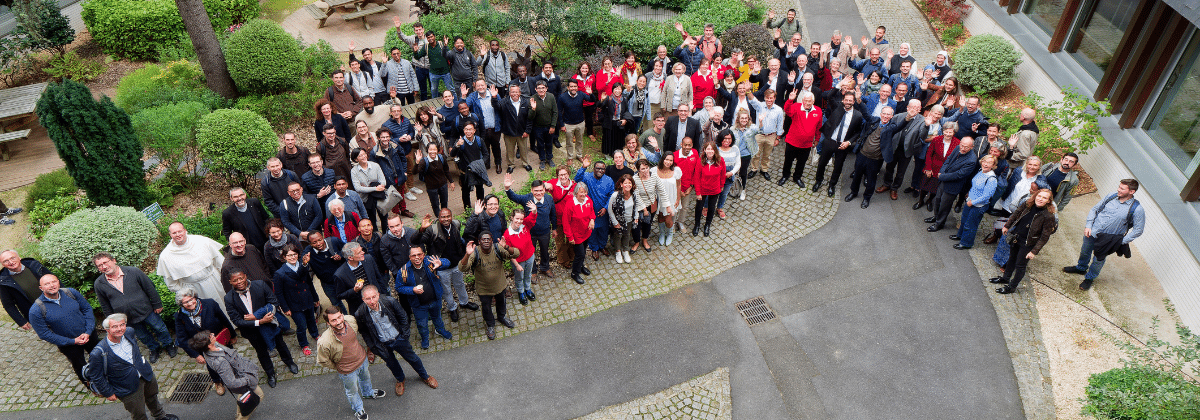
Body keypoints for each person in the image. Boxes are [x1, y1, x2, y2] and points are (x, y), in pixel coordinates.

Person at [87, 314, 180, 420]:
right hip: (126, 387)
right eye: (115, 326)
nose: (120, 329)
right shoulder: (98, 353)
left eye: (122, 324)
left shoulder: (129, 332)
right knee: (138, 412)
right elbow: (96, 376)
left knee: (152, 398)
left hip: (145, 374)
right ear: (107, 329)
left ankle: (160, 416)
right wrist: (108, 392)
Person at [355, 285, 438, 397]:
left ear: (378, 295)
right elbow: (364, 331)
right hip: (382, 344)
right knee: (392, 364)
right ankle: (400, 379)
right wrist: (373, 346)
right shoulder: (360, 313)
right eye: (368, 299)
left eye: (374, 297)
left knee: (413, 358)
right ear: (363, 300)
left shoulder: (390, 301)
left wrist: (404, 335)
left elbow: (403, 317)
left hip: (398, 338)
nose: (372, 301)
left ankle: (425, 376)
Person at [1063, 179, 1146, 291]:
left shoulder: (1137, 209)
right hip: (1092, 232)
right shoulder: (1112, 196)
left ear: (1132, 191)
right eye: (1119, 187)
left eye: (1122, 188)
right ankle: (1081, 268)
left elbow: (1138, 230)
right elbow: (1095, 209)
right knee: (1085, 251)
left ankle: (1089, 278)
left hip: (1108, 240)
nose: (1118, 189)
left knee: (1098, 260)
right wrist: (1088, 225)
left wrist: (1120, 241)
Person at [93, 253, 175, 363]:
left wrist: (157, 304)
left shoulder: (133, 271)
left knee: (160, 328)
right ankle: (154, 348)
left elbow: (149, 287)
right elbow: (105, 304)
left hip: (147, 310)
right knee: (142, 336)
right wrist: (112, 320)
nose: (103, 267)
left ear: (114, 260)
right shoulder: (99, 283)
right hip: (127, 318)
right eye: (99, 265)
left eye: (105, 262)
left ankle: (168, 344)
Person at [224, 269, 299, 388]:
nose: (239, 281)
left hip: (270, 325)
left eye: (241, 278)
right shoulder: (229, 298)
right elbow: (237, 321)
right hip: (252, 331)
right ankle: (270, 374)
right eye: (235, 280)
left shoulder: (260, 284)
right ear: (230, 282)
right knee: (262, 353)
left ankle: (290, 363)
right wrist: (259, 322)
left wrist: (256, 316)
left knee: (281, 345)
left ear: (245, 276)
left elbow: (274, 302)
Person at [316, 306, 386, 420]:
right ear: (328, 323)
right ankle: (358, 409)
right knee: (352, 391)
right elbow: (323, 360)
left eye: (339, 317)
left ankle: (367, 393)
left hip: (362, 360)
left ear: (342, 315)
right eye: (333, 320)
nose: (339, 321)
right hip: (347, 371)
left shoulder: (350, 320)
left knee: (366, 378)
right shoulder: (324, 341)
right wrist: (338, 366)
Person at [29, 274, 98, 386]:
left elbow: (87, 309)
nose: (52, 285)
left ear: (58, 282)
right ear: (41, 288)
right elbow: (44, 334)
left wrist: (88, 331)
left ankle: (108, 376)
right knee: (79, 365)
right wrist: (73, 341)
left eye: (54, 281)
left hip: (88, 334)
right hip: (68, 344)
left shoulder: (70, 293)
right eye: (47, 284)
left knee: (101, 356)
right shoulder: (36, 310)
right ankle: (92, 385)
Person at [989, 189, 1059, 294]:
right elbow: (1016, 214)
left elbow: (1045, 237)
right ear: (1035, 196)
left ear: (1048, 201)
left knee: (1020, 265)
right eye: (1039, 196)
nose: (1040, 199)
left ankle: (1012, 287)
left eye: (1044, 198)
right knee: (1011, 259)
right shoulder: (1028, 204)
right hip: (1017, 237)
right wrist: (1007, 226)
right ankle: (1005, 278)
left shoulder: (1048, 216)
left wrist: (1034, 251)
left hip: (1028, 244)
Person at [173, 288, 237, 396]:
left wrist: (232, 335)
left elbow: (224, 319)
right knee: (212, 365)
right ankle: (217, 382)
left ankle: (235, 374)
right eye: (185, 302)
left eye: (191, 299)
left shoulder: (210, 303)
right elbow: (182, 338)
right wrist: (196, 355)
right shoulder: (180, 317)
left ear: (195, 297)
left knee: (229, 357)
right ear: (181, 304)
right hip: (204, 347)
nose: (190, 303)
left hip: (220, 340)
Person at [188, 330, 262, 420]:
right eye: (211, 336)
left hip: (240, 376)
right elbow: (232, 383)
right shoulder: (220, 362)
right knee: (258, 397)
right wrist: (247, 379)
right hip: (241, 378)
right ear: (208, 345)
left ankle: (239, 412)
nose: (213, 334)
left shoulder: (210, 349)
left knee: (244, 396)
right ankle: (241, 418)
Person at [157, 222, 228, 314]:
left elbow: (219, 261)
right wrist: (186, 294)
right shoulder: (166, 256)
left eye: (180, 231)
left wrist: (226, 276)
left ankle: (237, 326)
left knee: (226, 303)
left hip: (214, 281)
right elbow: (170, 282)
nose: (178, 235)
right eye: (174, 233)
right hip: (194, 290)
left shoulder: (201, 241)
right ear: (170, 235)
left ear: (185, 231)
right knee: (208, 313)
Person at [396, 247, 453, 349]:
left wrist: (441, 263)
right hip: (419, 305)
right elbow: (399, 287)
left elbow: (448, 262)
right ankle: (425, 338)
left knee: (437, 317)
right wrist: (412, 290)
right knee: (422, 323)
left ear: (423, 254)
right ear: (409, 257)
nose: (417, 257)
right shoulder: (404, 271)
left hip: (435, 300)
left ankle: (440, 330)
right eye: (414, 255)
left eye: (419, 254)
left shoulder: (429, 262)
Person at [503, 174, 557, 278]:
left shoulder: (549, 199)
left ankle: (545, 267)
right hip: (530, 233)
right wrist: (507, 188)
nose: (539, 193)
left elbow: (553, 215)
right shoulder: (527, 198)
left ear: (544, 190)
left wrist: (554, 228)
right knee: (531, 252)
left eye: (541, 190)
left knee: (545, 251)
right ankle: (533, 271)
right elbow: (514, 197)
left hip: (545, 232)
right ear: (532, 190)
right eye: (536, 191)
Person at [846, 106, 899, 209]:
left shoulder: (891, 127)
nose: (885, 116)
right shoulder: (874, 121)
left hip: (875, 160)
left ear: (892, 116)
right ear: (880, 114)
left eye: (888, 114)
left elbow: (901, 126)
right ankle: (854, 192)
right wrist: (860, 102)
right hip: (862, 155)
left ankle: (867, 198)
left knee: (871, 179)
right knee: (857, 175)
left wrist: (909, 117)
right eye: (884, 113)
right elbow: (866, 114)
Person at [813, 94, 864, 197]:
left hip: (843, 145)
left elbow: (858, 131)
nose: (848, 102)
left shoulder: (858, 115)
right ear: (842, 100)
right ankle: (818, 181)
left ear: (854, 102)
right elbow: (830, 96)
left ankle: (832, 185)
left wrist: (849, 142)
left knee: (838, 167)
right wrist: (839, 85)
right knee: (822, 163)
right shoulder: (837, 107)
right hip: (830, 141)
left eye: (850, 100)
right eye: (846, 100)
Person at [273, 245, 320, 355]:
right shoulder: (279, 273)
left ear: (298, 255)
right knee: (301, 325)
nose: (292, 257)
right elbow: (279, 293)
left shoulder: (303, 266)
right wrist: (285, 308)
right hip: (294, 304)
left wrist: (315, 298)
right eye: (289, 255)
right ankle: (304, 344)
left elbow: (309, 283)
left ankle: (315, 334)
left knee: (311, 320)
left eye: (294, 254)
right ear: (284, 257)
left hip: (307, 299)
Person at [878, 99, 928, 200]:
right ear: (908, 107)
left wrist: (927, 126)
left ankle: (894, 188)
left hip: (907, 151)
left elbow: (922, 136)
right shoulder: (898, 116)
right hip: (894, 147)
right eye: (912, 107)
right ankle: (886, 184)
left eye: (917, 107)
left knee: (901, 172)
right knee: (889, 168)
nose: (914, 109)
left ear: (920, 109)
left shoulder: (923, 120)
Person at [926, 138, 977, 232]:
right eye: (962, 145)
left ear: (972, 147)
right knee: (937, 200)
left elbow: (959, 175)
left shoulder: (972, 160)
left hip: (953, 186)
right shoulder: (957, 147)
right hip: (944, 180)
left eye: (966, 147)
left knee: (944, 206)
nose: (962, 148)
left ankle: (939, 224)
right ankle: (936, 217)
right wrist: (942, 172)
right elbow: (948, 160)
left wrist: (942, 176)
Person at [952, 155, 1000, 249]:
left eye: (989, 163)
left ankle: (966, 243)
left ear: (993, 165)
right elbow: (975, 185)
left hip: (978, 206)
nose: (985, 164)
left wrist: (972, 202)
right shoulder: (980, 171)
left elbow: (987, 196)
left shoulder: (991, 179)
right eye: (984, 161)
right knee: (964, 220)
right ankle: (960, 236)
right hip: (970, 200)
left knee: (971, 224)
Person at [350, 148, 404, 230]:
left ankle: (386, 235)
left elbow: (383, 182)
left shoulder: (375, 165)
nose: (364, 156)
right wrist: (375, 188)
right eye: (360, 155)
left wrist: (368, 187)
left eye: (364, 154)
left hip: (379, 196)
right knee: (371, 220)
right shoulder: (354, 171)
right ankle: (376, 236)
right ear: (356, 159)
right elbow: (358, 188)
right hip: (366, 198)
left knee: (384, 218)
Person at [780, 90, 822, 189]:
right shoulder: (796, 107)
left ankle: (797, 177)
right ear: (802, 100)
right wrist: (790, 100)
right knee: (788, 161)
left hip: (806, 144)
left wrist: (817, 139)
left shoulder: (818, 111)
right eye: (805, 100)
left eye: (809, 101)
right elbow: (787, 110)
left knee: (801, 163)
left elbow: (819, 127)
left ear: (813, 101)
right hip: (792, 141)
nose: (807, 103)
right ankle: (785, 176)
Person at [0, 249, 51, 330]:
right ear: (3, 264)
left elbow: (55, 280)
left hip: (55, 303)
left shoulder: (34, 265)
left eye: (12, 258)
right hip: (37, 314)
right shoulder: (4, 281)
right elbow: (8, 305)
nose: (10, 262)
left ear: (19, 257)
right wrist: (21, 321)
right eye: (6, 261)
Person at [575, 157, 615, 259]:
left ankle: (602, 246)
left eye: (602, 169)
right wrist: (583, 167)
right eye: (598, 168)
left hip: (603, 212)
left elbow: (611, 195)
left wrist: (606, 208)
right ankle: (594, 248)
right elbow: (577, 180)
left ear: (605, 170)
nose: (600, 171)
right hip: (590, 212)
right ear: (593, 169)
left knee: (604, 230)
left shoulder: (609, 180)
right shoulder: (587, 177)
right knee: (592, 231)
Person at [334, 242, 387, 315]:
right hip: (361, 308)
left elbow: (379, 278)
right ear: (350, 257)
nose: (363, 252)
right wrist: (354, 290)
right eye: (359, 252)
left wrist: (384, 296)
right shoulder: (340, 274)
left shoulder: (368, 259)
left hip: (378, 300)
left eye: (361, 250)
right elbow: (340, 295)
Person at [490, 84, 534, 173]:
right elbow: (496, 106)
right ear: (509, 93)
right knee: (509, 150)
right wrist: (494, 97)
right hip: (508, 132)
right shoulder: (504, 102)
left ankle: (525, 163)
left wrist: (527, 131)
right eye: (512, 92)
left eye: (516, 92)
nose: (514, 94)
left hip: (522, 132)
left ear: (520, 93)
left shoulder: (526, 102)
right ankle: (511, 165)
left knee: (523, 149)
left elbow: (529, 118)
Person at [917, 123, 960, 211]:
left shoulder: (957, 143)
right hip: (931, 168)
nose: (948, 134)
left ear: (954, 133)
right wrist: (928, 168)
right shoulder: (936, 139)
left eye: (950, 132)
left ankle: (929, 201)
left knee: (935, 189)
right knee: (924, 186)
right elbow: (929, 154)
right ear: (943, 131)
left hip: (943, 172)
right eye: (946, 131)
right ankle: (920, 201)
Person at [304, 230, 346, 314]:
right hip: (327, 283)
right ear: (310, 244)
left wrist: (340, 256)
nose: (318, 244)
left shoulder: (334, 241)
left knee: (351, 298)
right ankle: (345, 319)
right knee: (336, 303)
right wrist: (305, 262)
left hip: (343, 278)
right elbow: (303, 263)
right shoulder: (308, 251)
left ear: (323, 237)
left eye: (320, 240)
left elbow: (347, 251)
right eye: (314, 242)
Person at [691, 141, 725, 237]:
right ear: (705, 150)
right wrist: (698, 192)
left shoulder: (720, 160)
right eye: (708, 149)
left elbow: (723, 174)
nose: (710, 151)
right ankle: (697, 225)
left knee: (711, 208)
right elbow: (696, 177)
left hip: (714, 189)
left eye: (712, 149)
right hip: (702, 189)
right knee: (699, 208)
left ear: (715, 150)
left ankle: (707, 225)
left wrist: (721, 185)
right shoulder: (700, 161)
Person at [564, 183, 595, 284]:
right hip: (576, 235)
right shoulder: (570, 204)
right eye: (581, 192)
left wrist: (592, 220)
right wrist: (570, 236)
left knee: (583, 251)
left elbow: (592, 212)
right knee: (580, 254)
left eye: (585, 191)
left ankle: (581, 266)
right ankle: (575, 273)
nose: (584, 194)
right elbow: (566, 222)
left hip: (586, 232)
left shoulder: (588, 200)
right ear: (576, 192)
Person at [222, 187, 270, 252]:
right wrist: (236, 244)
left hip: (265, 240)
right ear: (231, 198)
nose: (239, 198)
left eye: (241, 195)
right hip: (248, 246)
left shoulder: (254, 202)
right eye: (236, 197)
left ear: (245, 195)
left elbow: (266, 218)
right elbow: (227, 232)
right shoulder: (228, 213)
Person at [558, 79, 594, 163]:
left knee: (579, 141)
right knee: (569, 142)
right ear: (568, 87)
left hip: (580, 123)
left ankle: (579, 155)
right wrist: (562, 125)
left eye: (575, 86)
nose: (573, 88)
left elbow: (592, 100)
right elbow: (559, 111)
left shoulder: (581, 94)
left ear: (577, 87)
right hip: (568, 124)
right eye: (571, 86)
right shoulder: (562, 97)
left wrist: (591, 93)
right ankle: (570, 157)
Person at [530, 80, 559, 169]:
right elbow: (530, 117)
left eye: (543, 88)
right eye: (539, 88)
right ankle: (542, 159)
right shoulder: (532, 99)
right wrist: (533, 109)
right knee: (540, 144)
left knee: (549, 143)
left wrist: (553, 126)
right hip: (538, 127)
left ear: (546, 89)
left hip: (549, 126)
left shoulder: (551, 97)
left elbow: (555, 112)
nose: (541, 90)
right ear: (535, 89)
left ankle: (549, 158)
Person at [600, 83, 633, 156]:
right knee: (608, 139)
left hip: (619, 122)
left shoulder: (624, 99)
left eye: (619, 89)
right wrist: (602, 100)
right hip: (609, 123)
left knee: (619, 139)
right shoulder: (608, 98)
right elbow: (600, 107)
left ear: (622, 90)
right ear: (612, 90)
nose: (617, 91)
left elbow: (626, 111)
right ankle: (608, 154)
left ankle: (618, 154)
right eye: (615, 89)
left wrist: (625, 119)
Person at [715, 129, 741, 212]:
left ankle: (719, 208)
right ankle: (706, 207)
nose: (727, 140)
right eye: (725, 138)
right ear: (720, 138)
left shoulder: (735, 148)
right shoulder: (715, 148)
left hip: (729, 176)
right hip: (716, 176)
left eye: (729, 138)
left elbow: (738, 164)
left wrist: (732, 173)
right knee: (712, 194)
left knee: (724, 194)